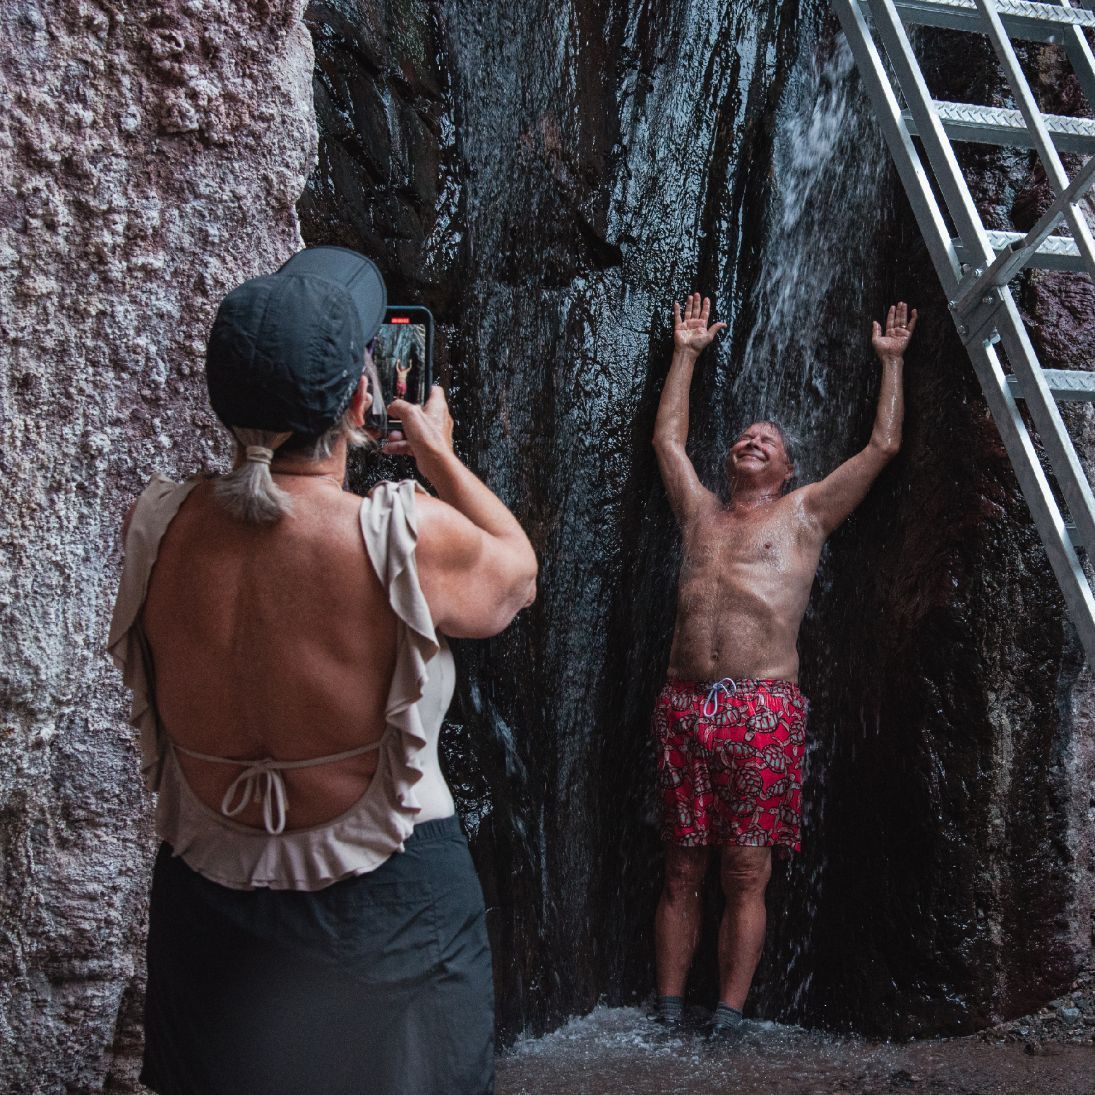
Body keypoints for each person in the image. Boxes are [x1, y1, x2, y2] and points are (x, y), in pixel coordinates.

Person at [108, 245, 537, 1094]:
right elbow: (515, 577)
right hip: (388, 907)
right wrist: (438, 456)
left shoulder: (159, 525)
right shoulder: (397, 532)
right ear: (356, 401)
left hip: (211, 900)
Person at [650, 292, 915, 1035]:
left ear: (790, 465)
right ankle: (667, 1012)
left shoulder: (805, 512)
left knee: (744, 870)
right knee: (679, 868)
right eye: (743, 434)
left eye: (767, 438)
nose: (752, 439)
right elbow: (668, 443)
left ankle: (728, 1017)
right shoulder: (699, 511)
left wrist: (889, 364)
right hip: (683, 702)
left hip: (761, 708)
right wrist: (685, 353)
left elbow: (882, 448)